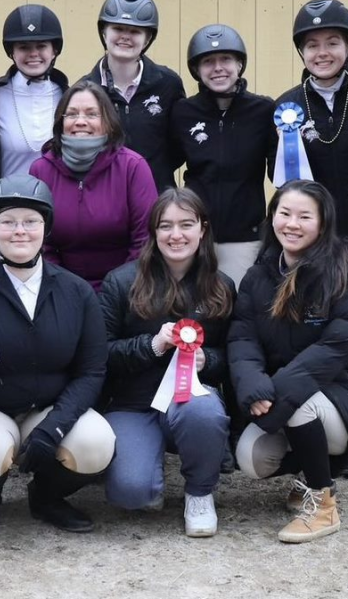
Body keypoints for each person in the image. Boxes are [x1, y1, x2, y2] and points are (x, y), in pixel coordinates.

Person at [0, 175, 116, 539]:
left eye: (31, 221)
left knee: (96, 443)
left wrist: (55, 425)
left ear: (46, 228)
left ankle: (45, 497)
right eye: (7, 222)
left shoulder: (77, 291)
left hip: (47, 405)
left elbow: (92, 371)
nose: (19, 231)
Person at [271, 0, 348, 478]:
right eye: (312, 44)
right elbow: (276, 174)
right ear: (302, 51)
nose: (322, 52)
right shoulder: (287, 105)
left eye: (332, 42)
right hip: (312, 243)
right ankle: (318, 421)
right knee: (320, 330)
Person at [228, 180, 348, 543]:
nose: (292, 224)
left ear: (323, 223)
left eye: (304, 216)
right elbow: (242, 336)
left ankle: (322, 501)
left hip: (347, 398)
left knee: (298, 402)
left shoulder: (345, 276)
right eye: (284, 214)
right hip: (286, 395)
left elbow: (335, 347)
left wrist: (278, 390)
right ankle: (308, 474)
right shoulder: (258, 275)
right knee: (252, 458)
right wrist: (251, 382)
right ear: (272, 218)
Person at [98, 188, 234, 537]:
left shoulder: (221, 286)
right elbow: (102, 354)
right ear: (153, 232)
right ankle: (147, 468)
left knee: (204, 413)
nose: (176, 235)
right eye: (166, 226)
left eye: (186, 224)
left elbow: (234, 355)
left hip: (190, 400)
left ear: (202, 228)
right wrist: (152, 345)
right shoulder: (120, 281)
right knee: (132, 492)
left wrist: (209, 360)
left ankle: (200, 493)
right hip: (132, 403)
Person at [29, 81, 158, 291]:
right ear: (61, 121)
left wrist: (117, 290)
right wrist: (66, 289)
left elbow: (144, 240)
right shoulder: (41, 170)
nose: (80, 121)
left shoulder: (133, 167)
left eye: (91, 114)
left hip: (128, 289)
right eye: (71, 114)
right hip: (60, 288)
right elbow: (42, 243)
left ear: (108, 121)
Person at [170, 24, 274, 285]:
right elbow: (165, 163)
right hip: (194, 236)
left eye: (226, 59)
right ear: (196, 69)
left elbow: (281, 171)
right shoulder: (183, 112)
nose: (218, 68)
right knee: (192, 318)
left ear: (240, 64)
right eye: (208, 61)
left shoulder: (263, 111)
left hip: (244, 238)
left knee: (238, 312)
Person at [0, 4, 70, 259]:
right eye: (24, 47)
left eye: (41, 46)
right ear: (11, 51)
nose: (33, 54)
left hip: (59, 211)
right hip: (3, 212)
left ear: (54, 49)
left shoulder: (71, 96)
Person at [82, 0, 185, 190]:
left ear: (147, 39)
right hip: (105, 199)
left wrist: (152, 170)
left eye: (135, 31)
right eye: (118, 28)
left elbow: (179, 146)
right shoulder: (85, 91)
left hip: (157, 199)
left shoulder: (168, 84)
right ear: (104, 31)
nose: (125, 37)